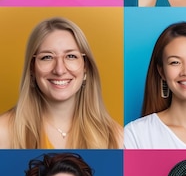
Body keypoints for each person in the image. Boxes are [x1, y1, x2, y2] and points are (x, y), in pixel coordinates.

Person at [0, 17, 122, 149]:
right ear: (32, 68)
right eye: (47, 57)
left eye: (71, 56)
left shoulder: (116, 137)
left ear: (85, 66)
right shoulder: (4, 132)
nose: (59, 70)